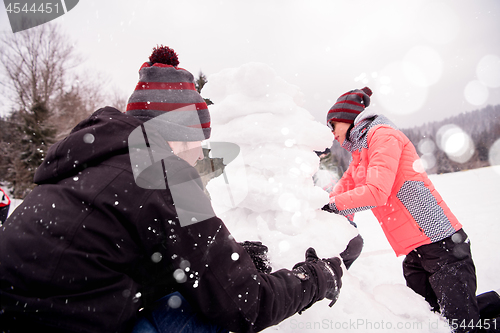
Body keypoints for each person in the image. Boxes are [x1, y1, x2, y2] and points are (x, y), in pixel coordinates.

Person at [0, 45, 343, 333]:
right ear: (178, 134)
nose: (199, 156)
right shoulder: (165, 175)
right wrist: (314, 279)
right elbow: (245, 305)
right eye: (199, 144)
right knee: (198, 315)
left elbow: (117, 254)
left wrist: (229, 255)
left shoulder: (90, 161)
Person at [322, 86, 489, 332]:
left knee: (463, 327)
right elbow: (343, 191)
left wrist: (332, 206)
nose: (332, 134)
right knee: (433, 322)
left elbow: (376, 192)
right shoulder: (360, 154)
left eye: (333, 126)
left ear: (348, 119)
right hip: (415, 253)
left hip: (443, 245)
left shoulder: (383, 136)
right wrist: (320, 209)